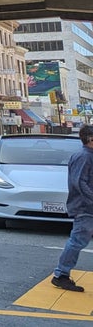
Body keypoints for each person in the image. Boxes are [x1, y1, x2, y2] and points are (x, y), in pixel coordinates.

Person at [53, 125, 93, 292]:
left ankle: (61, 273)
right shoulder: (83, 156)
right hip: (85, 208)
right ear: (91, 139)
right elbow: (79, 183)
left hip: (87, 207)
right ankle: (61, 275)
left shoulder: (88, 155)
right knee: (77, 241)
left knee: (78, 241)